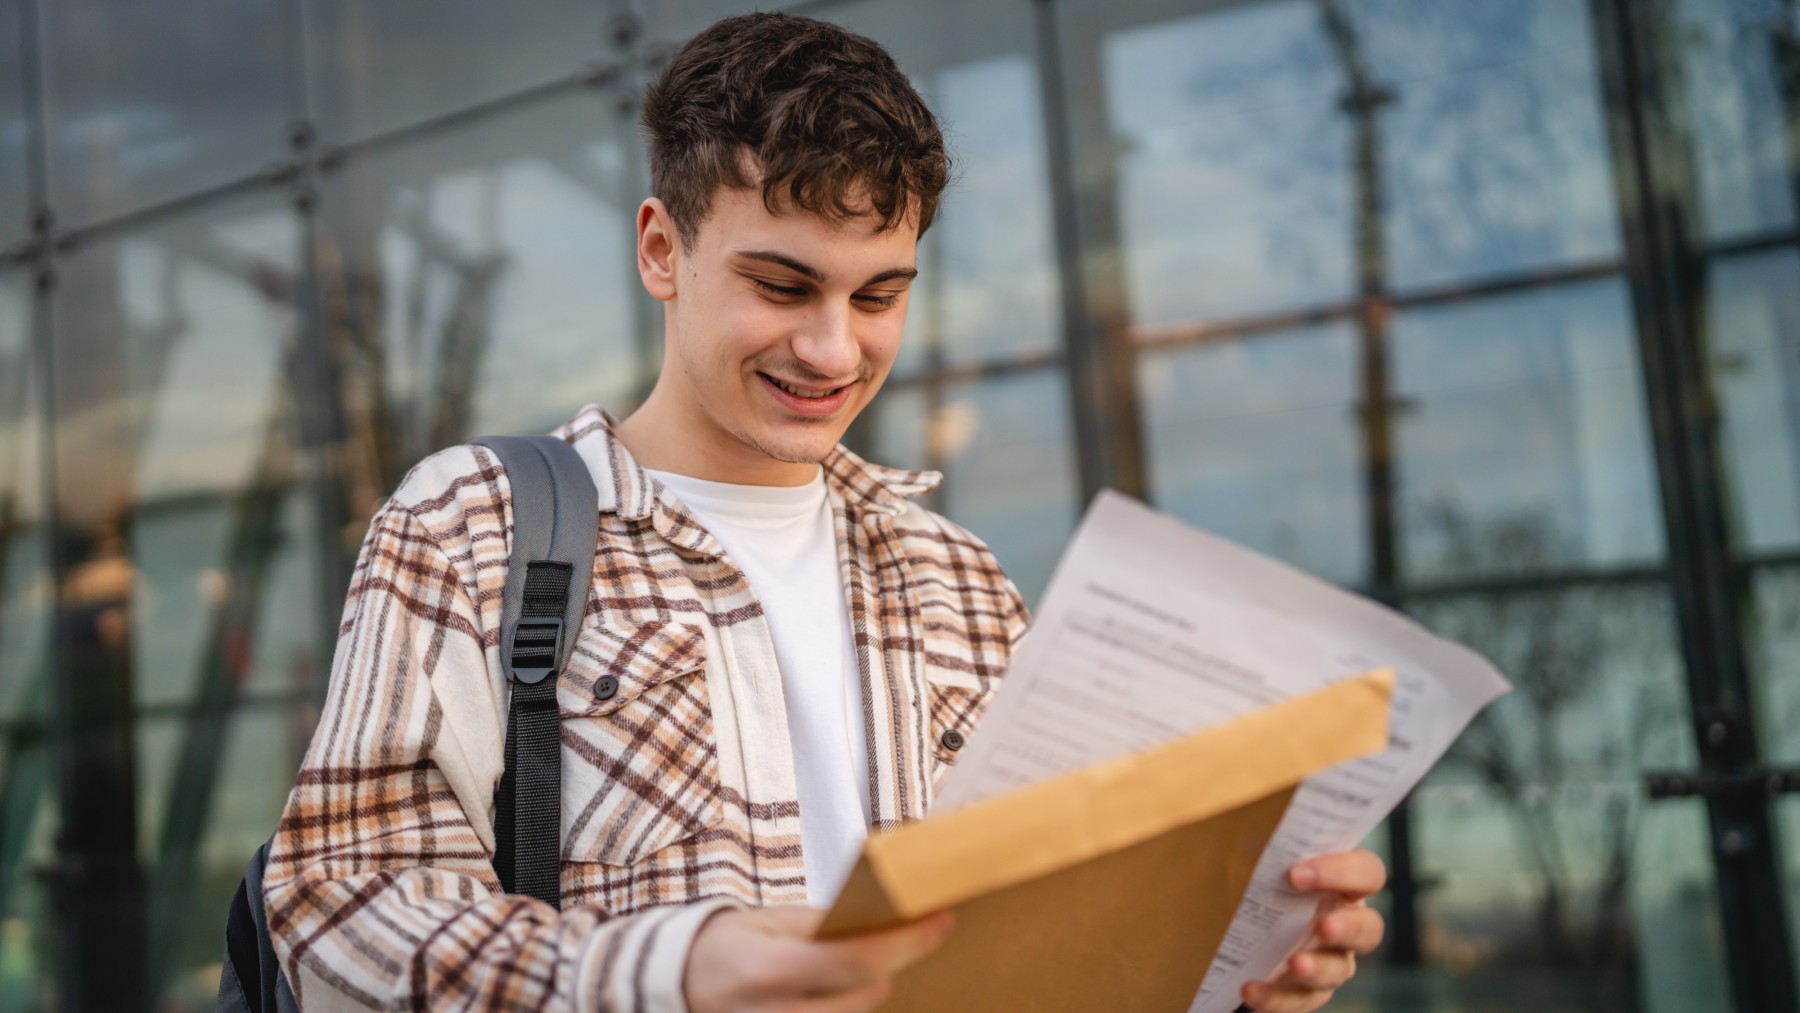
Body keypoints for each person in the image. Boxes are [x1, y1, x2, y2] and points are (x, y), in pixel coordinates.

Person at [262, 12, 1386, 1012]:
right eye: (784, 286)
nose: (833, 349)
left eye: (880, 295)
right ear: (662, 248)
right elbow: (334, 914)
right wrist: (675, 969)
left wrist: (1234, 973)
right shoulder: (474, 526)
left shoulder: (959, 579)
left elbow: (1048, 956)